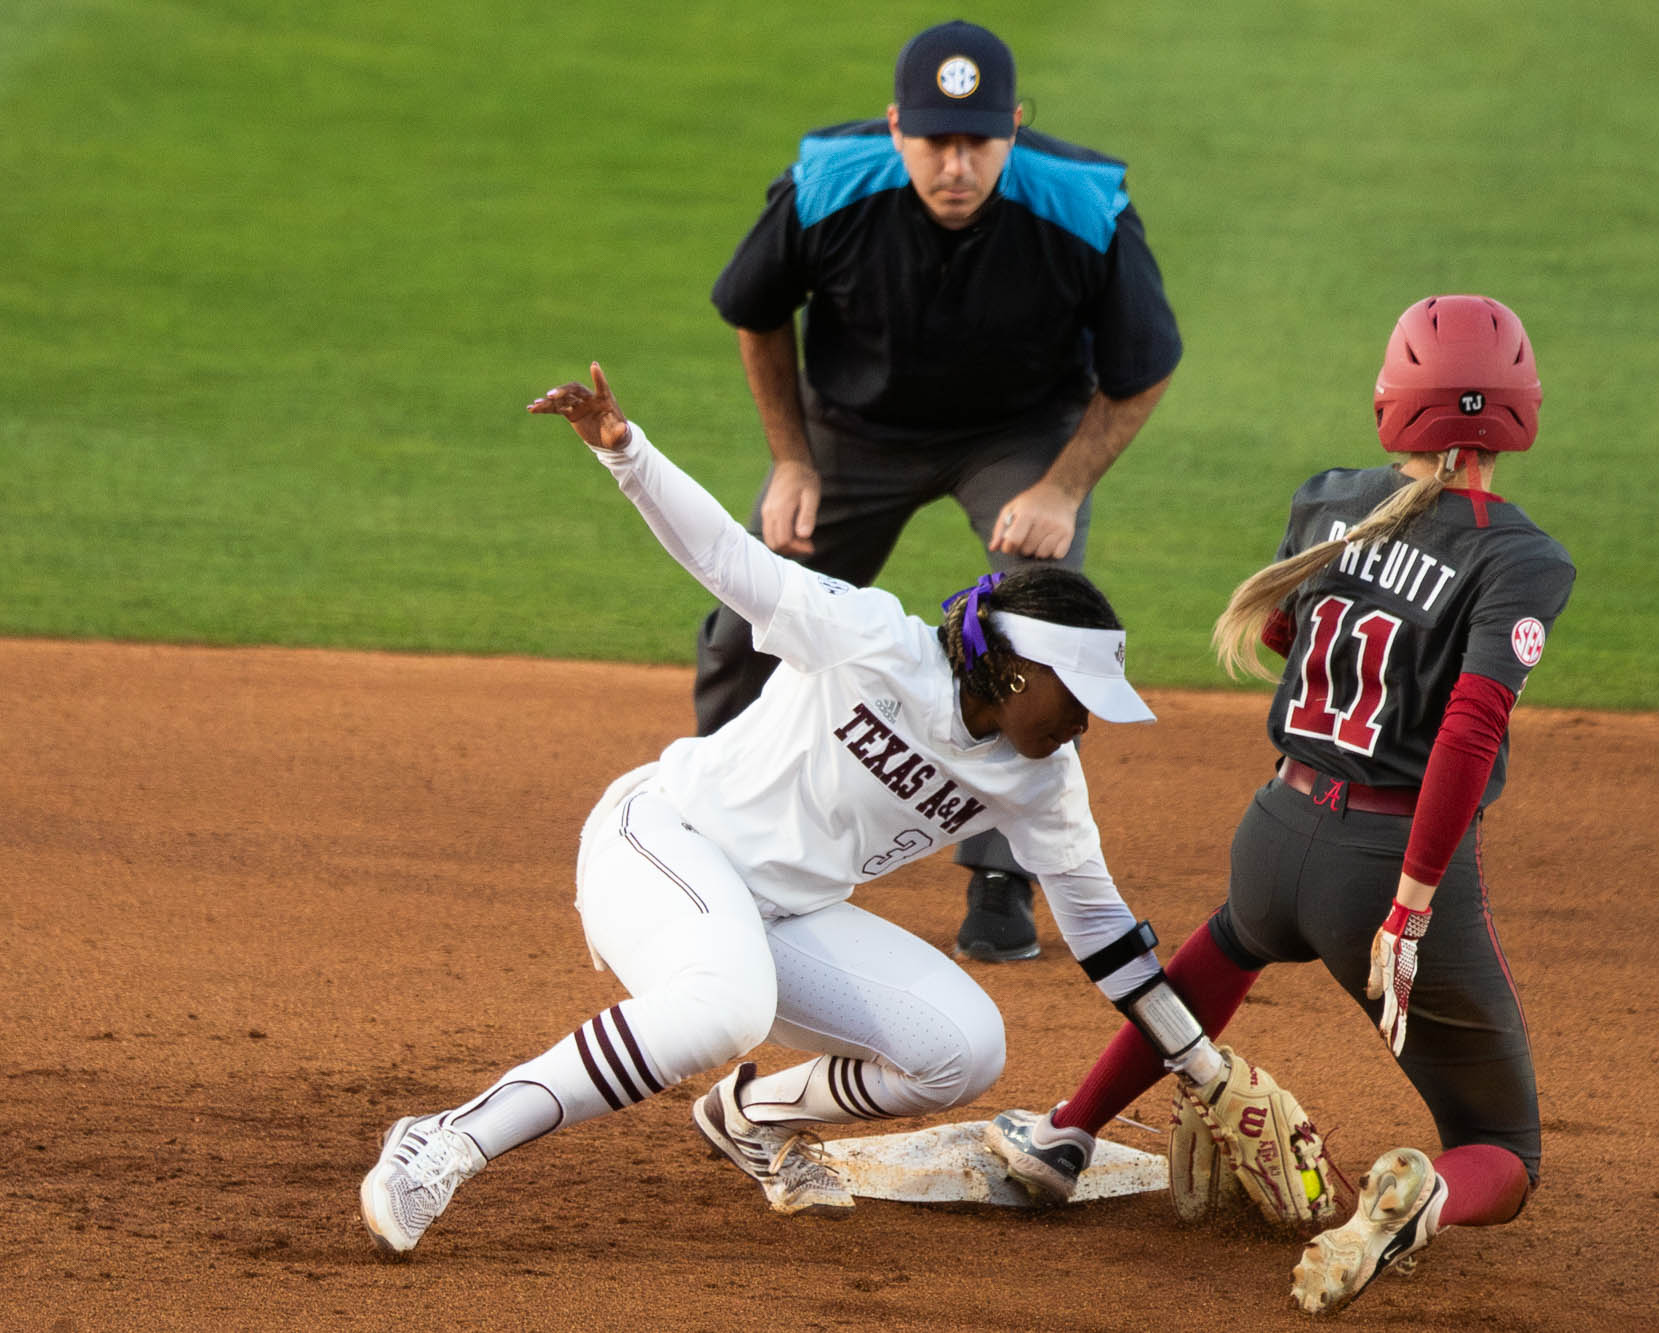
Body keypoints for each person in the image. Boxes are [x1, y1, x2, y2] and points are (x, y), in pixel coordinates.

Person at [358, 363, 1227, 1259]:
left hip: (781, 913)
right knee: (725, 1006)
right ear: (1012, 669)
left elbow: (1103, 930)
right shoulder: (876, 643)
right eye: (1076, 694)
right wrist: (628, 453)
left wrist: (1204, 1063)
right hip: (660, 841)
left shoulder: (1043, 779)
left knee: (963, 1050)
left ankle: (750, 1118)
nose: (1087, 720)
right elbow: (733, 563)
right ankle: (445, 1138)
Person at [985, 296, 1576, 1316]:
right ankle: (1423, 1194)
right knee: (1502, 1147)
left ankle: (1063, 1133)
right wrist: (1411, 905)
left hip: (1275, 833)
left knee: (1211, 963)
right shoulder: (1518, 556)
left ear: (1393, 401)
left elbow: (1288, 641)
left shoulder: (1327, 500)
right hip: (1376, 862)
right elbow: (1466, 738)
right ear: (1517, 411)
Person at [701, 19, 1182, 964]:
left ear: (1013, 127)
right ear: (894, 128)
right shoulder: (829, 184)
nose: (955, 165)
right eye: (933, 141)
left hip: (1017, 435)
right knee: (743, 617)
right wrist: (792, 458)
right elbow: (753, 313)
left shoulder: (1084, 204)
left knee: (1038, 629)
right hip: (851, 430)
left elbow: (1146, 365)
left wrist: (1062, 485)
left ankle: (1003, 875)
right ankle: (715, 824)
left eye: (977, 141)